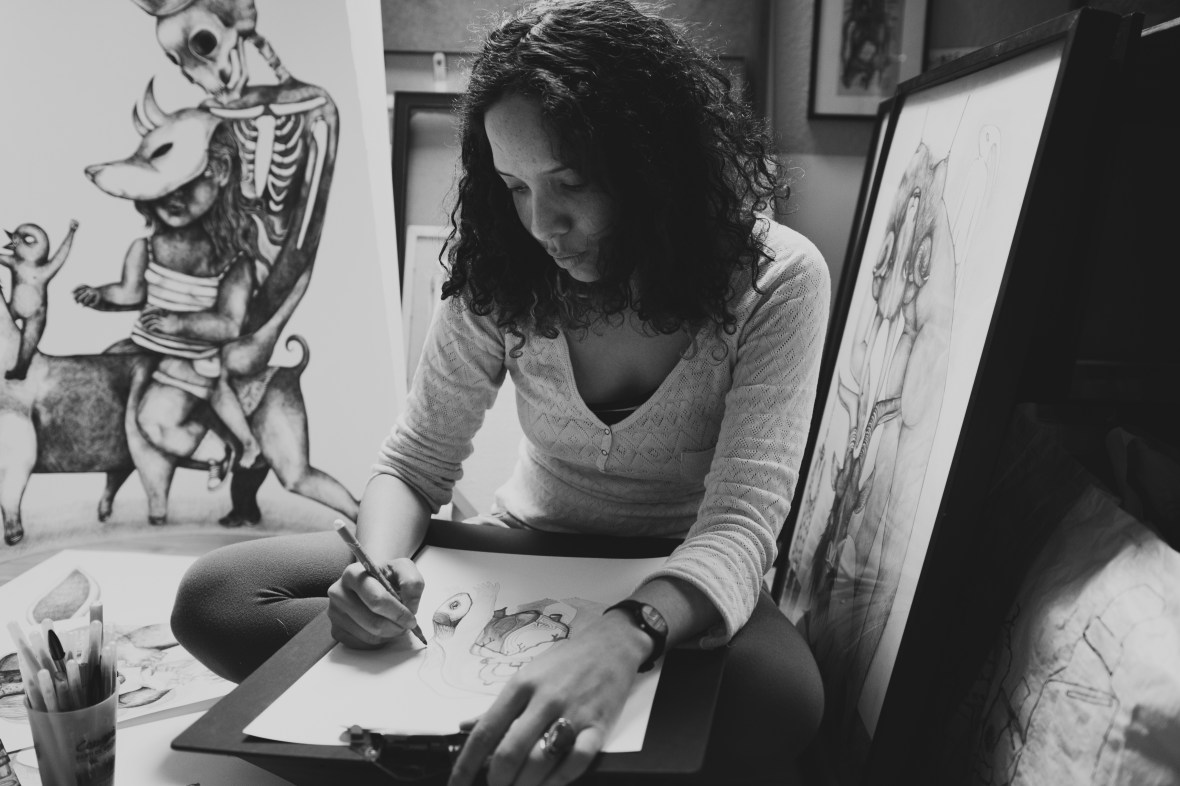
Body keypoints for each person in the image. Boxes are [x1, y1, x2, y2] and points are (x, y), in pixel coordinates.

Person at [171, 1, 830, 783]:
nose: (542, 223)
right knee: (219, 596)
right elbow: (414, 464)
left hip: (676, 576)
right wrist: (378, 572)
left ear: (652, 165)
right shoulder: (500, 265)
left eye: (569, 183)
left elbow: (741, 524)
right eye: (514, 186)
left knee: (781, 702)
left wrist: (627, 633)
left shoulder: (776, 279)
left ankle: (452, 759)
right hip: (521, 549)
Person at [74, 117, 264, 482]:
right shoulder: (146, 247)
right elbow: (131, 293)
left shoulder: (233, 262)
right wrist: (101, 296)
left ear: (220, 172)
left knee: (153, 422)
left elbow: (229, 324)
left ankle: (215, 450)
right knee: (98, 382)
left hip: (189, 361)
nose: (174, 197)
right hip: (142, 349)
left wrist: (179, 323)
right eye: (163, 188)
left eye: (185, 183)